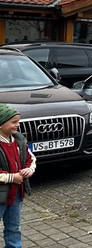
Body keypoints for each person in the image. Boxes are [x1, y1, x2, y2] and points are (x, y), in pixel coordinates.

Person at [0, 103, 36, 248]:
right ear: (1, 124)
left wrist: (29, 169)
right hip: (1, 194)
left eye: (18, 121)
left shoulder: (19, 140)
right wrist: (11, 177)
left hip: (15, 194)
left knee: (14, 228)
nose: (18, 125)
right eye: (14, 122)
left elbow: (30, 158)